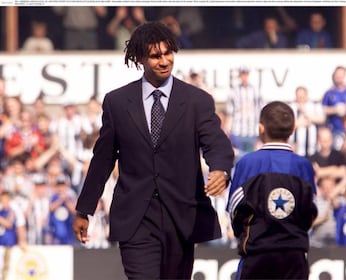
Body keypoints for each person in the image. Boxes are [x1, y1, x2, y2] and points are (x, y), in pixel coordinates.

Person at [73, 21, 234, 279]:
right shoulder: (116, 102)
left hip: (182, 217)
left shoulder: (197, 101)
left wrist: (220, 170)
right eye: (155, 55)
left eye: (168, 53)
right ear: (140, 58)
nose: (164, 61)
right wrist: (85, 209)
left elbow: (216, 141)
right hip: (135, 218)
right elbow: (102, 159)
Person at [227, 101, 317, 280]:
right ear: (293, 129)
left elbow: (234, 210)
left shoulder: (247, 163)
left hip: (257, 252)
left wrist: (244, 234)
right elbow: (310, 211)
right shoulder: (303, 165)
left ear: (261, 129)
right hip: (294, 253)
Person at [224, 67, 263, 159]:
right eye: (242, 74)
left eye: (246, 74)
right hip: (237, 130)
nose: (244, 77)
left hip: (252, 131)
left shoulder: (256, 91)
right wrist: (227, 129)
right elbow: (230, 112)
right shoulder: (234, 91)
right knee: (237, 157)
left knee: (252, 157)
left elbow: (261, 111)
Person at [322, 65, 346, 150]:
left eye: (341, 75)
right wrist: (335, 109)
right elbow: (324, 109)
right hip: (334, 129)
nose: (339, 77)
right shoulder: (329, 93)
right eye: (337, 75)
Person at [289, 86, 325, 157]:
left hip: (312, 149)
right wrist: (298, 123)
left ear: (306, 96)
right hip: (295, 148)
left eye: (302, 96)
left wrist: (306, 113)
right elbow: (286, 124)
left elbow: (322, 119)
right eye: (299, 96)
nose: (300, 99)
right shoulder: (291, 107)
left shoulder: (314, 106)